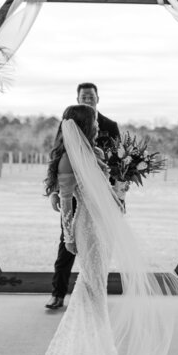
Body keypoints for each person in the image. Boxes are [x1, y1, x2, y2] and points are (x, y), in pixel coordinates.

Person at [1, 104, 178, 355]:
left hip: (102, 229)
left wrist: (119, 191)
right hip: (86, 229)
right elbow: (64, 204)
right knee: (89, 289)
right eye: (92, 123)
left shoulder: (99, 153)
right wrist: (70, 239)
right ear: (83, 126)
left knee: (96, 290)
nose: (96, 127)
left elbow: (109, 193)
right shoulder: (67, 160)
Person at [46, 82, 120, 309]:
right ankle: (59, 293)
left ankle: (96, 307)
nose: (87, 99)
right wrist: (56, 190)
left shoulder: (104, 136)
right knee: (70, 251)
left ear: (98, 97)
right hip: (82, 211)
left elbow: (115, 163)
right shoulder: (69, 141)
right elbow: (59, 156)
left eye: (91, 95)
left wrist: (117, 196)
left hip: (101, 210)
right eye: (83, 96)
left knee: (98, 267)